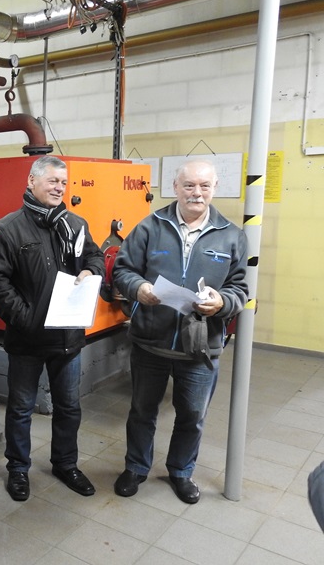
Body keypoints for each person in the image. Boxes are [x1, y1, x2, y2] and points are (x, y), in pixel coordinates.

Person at [112, 159, 248, 504]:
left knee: (192, 416)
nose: (196, 193)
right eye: (189, 185)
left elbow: (240, 289)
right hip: (150, 343)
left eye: (204, 186)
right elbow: (123, 271)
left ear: (215, 188)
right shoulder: (150, 227)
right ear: (175, 187)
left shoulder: (231, 235)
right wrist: (140, 288)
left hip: (201, 347)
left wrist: (222, 301)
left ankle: (181, 471)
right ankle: (136, 467)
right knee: (142, 411)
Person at [0, 155, 104, 502]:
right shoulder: (6, 229)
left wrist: (91, 271)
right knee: (21, 408)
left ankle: (66, 464)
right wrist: (27, 320)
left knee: (69, 407)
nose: (59, 188)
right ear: (32, 181)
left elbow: (95, 257)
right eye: (52, 181)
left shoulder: (75, 224)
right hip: (27, 340)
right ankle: (18, 469)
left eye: (63, 183)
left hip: (68, 337)